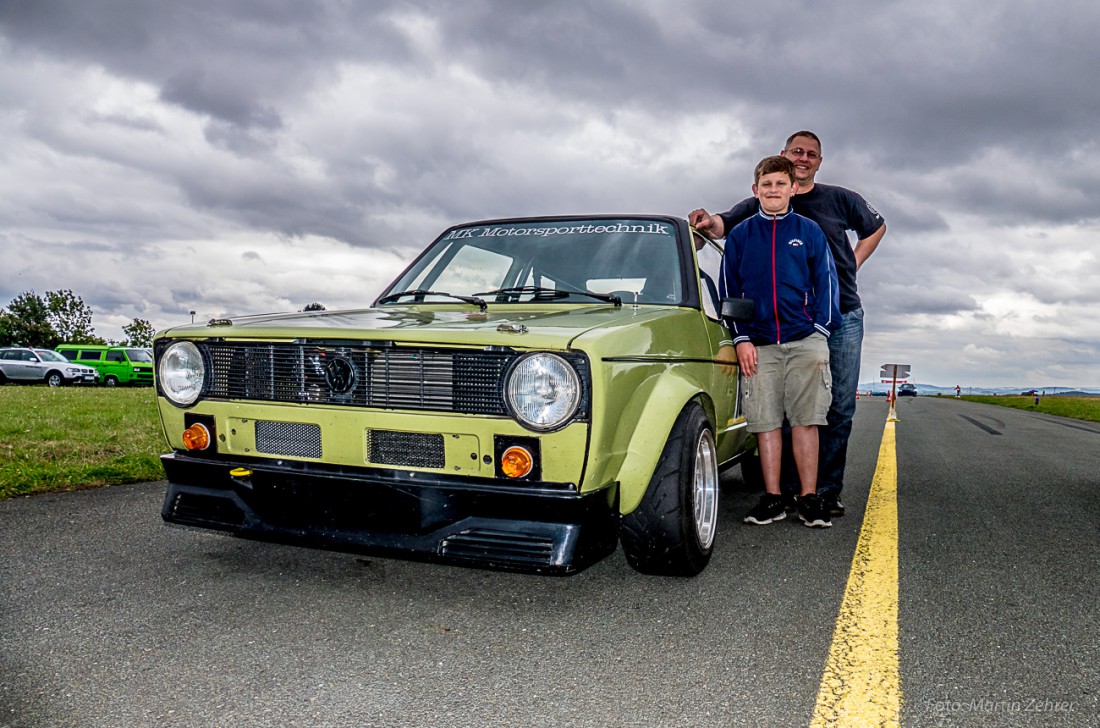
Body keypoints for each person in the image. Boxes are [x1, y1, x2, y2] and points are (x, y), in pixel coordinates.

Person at [691, 131, 886, 518]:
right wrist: (703, 223)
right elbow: (721, 227)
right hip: (766, 331)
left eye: (811, 154)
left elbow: (875, 228)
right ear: (781, 158)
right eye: (797, 151)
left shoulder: (838, 200)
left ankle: (824, 492)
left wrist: (853, 264)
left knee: (835, 408)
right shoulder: (753, 211)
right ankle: (782, 492)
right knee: (775, 414)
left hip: (836, 318)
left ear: (813, 167)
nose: (804, 157)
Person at [718, 155, 840, 528]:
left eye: (780, 184)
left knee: (807, 421)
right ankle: (772, 498)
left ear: (793, 189)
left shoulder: (810, 231)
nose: (773, 190)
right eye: (766, 185)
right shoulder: (740, 236)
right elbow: (729, 289)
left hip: (805, 341)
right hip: (759, 345)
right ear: (756, 191)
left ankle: (808, 498)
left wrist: (820, 331)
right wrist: (741, 338)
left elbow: (827, 284)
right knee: (765, 422)